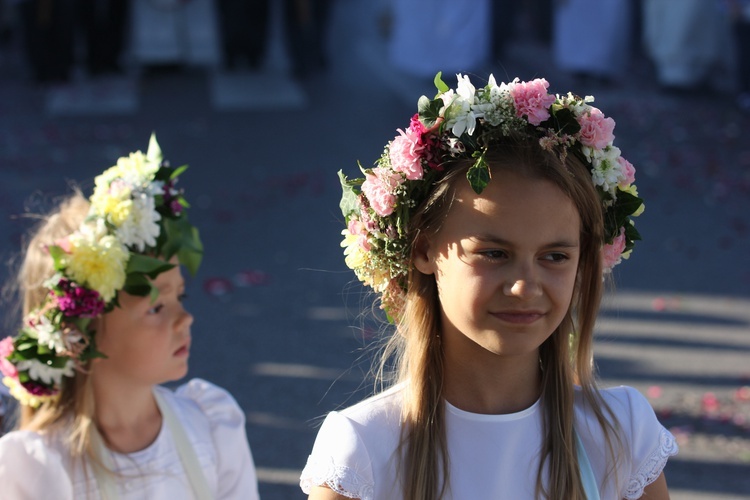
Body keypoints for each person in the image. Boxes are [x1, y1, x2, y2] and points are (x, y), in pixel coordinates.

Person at [299, 73, 678, 499]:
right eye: (493, 253)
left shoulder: (621, 435)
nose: (524, 287)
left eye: (555, 256)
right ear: (424, 249)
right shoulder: (365, 452)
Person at [0, 135, 260, 499]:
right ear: (80, 332)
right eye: (156, 307)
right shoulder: (44, 467)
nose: (185, 319)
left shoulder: (211, 426)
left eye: (180, 297)